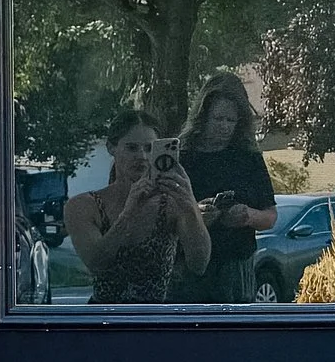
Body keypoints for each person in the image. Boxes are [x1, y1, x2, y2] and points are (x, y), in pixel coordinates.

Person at [64, 110, 211, 304]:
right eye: (132, 148)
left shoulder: (170, 205)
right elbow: (96, 263)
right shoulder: (83, 206)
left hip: (154, 322)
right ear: (111, 148)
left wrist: (190, 204)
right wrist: (128, 213)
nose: (141, 156)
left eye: (150, 148)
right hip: (104, 320)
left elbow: (199, 264)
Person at [179, 72, 278, 303]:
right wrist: (195, 216)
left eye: (230, 121)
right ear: (203, 117)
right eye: (218, 119)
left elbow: (270, 216)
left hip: (236, 267)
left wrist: (247, 216)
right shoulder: (183, 157)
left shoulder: (248, 158)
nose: (224, 127)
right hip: (187, 267)